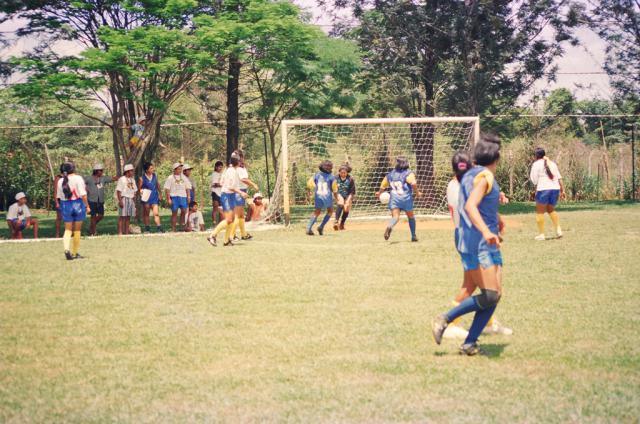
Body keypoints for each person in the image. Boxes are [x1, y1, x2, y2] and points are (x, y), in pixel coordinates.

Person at [432, 135, 506, 356]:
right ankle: (446, 319)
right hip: (482, 242)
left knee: (493, 293)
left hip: (469, 240)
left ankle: (469, 343)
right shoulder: (484, 175)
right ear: (497, 157)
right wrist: (486, 230)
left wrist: (496, 219)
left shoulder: (467, 176)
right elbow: (472, 207)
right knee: (491, 294)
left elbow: (477, 205)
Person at [443, 151, 512, 340]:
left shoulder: (452, 185)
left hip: (461, 233)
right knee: (490, 290)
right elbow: (476, 207)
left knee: (472, 284)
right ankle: (449, 321)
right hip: (475, 236)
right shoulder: (473, 183)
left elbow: (453, 210)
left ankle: (488, 324)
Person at [376, 156, 421, 242]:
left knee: (395, 216)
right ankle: (413, 236)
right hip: (406, 198)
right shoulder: (408, 173)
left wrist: (379, 193)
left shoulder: (390, 174)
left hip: (394, 198)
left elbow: (383, 185)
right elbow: (414, 184)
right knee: (411, 216)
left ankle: (389, 226)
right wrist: (417, 193)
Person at [207, 154, 247, 246]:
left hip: (230, 195)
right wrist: (241, 193)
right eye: (241, 161)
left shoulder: (229, 170)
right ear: (238, 162)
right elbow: (230, 186)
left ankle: (226, 240)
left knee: (232, 219)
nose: (242, 162)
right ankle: (212, 235)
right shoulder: (232, 171)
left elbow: (222, 182)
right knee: (229, 219)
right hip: (227, 196)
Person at [57, 161, 90, 260]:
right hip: (78, 204)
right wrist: (87, 206)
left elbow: (59, 196)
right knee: (77, 230)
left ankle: (66, 250)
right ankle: (75, 253)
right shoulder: (78, 178)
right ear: (73, 169)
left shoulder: (60, 181)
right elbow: (83, 195)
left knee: (67, 229)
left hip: (65, 204)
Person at [530, 147, 564, 241]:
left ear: (536, 156)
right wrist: (562, 190)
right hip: (555, 188)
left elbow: (534, 180)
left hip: (544, 189)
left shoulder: (536, 164)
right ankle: (558, 230)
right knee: (550, 209)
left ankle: (541, 234)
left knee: (540, 211)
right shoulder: (552, 163)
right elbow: (558, 177)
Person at [231, 150, 259, 240]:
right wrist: (253, 184)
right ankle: (232, 235)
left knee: (241, 215)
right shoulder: (238, 168)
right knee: (238, 215)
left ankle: (243, 234)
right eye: (242, 156)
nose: (243, 158)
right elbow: (243, 179)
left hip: (241, 191)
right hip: (239, 192)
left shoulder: (240, 167)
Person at [306, 160, 338, 236]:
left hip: (318, 195)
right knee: (330, 211)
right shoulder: (332, 177)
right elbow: (335, 189)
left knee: (317, 212)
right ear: (330, 168)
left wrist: (314, 188)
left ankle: (308, 228)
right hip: (327, 196)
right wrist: (337, 198)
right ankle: (321, 227)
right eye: (330, 167)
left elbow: (309, 183)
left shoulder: (316, 175)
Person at [84, 163, 117, 236]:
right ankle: (93, 232)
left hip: (100, 200)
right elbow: (82, 183)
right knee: (93, 216)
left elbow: (113, 178)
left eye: (102, 171)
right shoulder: (89, 178)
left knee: (101, 215)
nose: (102, 172)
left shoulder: (103, 178)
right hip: (92, 200)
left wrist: (120, 177)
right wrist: (85, 188)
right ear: (96, 171)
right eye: (100, 171)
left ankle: (91, 227)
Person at [164, 163, 191, 232]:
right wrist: (168, 199)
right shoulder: (170, 177)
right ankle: (173, 228)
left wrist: (188, 196)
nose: (180, 170)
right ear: (174, 170)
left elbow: (187, 187)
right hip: (174, 197)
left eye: (181, 169)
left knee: (184, 211)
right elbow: (167, 189)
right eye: (179, 169)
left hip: (183, 196)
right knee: (174, 212)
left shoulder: (183, 177)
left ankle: (181, 226)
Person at [139, 161, 163, 233]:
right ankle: (147, 229)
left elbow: (157, 185)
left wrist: (160, 193)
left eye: (153, 168)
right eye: (151, 168)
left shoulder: (155, 176)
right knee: (146, 213)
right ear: (147, 170)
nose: (153, 169)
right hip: (146, 198)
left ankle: (159, 228)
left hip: (154, 197)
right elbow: (139, 188)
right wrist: (141, 191)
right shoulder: (142, 178)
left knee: (156, 213)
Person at [116, 164, 138, 235]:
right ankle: (120, 232)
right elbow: (118, 191)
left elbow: (134, 191)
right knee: (122, 216)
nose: (132, 172)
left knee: (128, 216)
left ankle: (126, 232)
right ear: (127, 171)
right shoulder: (122, 179)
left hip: (131, 199)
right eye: (131, 171)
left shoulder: (133, 179)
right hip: (124, 198)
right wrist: (120, 201)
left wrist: (134, 203)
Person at [333, 164, 356, 231]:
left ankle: (342, 224)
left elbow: (352, 192)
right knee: (341, 203)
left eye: (344, 173)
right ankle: (336, 222)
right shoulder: (335, 178)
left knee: (346, 208)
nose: (343, 174)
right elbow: (333, 189)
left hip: (348, 195)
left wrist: (348, 199)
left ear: (347, 173)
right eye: (341, 173)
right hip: (338, 193)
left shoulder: (350, 179)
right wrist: (336, 196)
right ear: (339, 172)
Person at [210, 161, 224, 225]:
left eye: (221, 167)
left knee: (221, 209)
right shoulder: (214, 174)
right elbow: (215, 184)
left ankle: (220, 224)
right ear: (216, 167)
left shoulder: (222, 174)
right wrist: (223, 184)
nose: (220, 168)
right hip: (215, 193)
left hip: (221, 193)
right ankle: (214, 223)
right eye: (219, 167)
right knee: (215, 208)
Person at [53, 164, 64, 238]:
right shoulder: (58, 178)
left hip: (68, 200)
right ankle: (57, 234)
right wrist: (56, 202)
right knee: (59, 217)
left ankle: (70, 233)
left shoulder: (70, 177)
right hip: (60, 200)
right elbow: (55, 191)